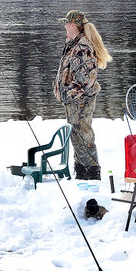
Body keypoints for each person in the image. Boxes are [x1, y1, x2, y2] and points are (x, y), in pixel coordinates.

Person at [54, 10, 112, 180]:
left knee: (83, 133)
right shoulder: (73, 44)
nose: (64, 26)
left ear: (73, 25)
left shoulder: (83, 48)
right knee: (76, 134)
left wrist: (67, 94)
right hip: (73, 101)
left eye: (66, 23)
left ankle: (92, 173)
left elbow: (84, 80)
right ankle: (81, 172)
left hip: (81, 101)